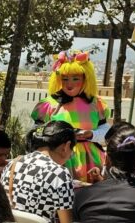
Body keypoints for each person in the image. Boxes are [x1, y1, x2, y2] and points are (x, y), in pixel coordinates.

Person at [31, 50, 110, 183]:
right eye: (65, 78)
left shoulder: (96, 104)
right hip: (59, 158)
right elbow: (35, 132)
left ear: (85, 78)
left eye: (75, 79)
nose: (69, 84)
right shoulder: (49, 104)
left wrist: (91, 134)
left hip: (91, 160)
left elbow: (107, 131)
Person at [2, 121, 76, 223]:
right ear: (66, 146)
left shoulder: (13, 163)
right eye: (72, 149)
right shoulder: (59, 173)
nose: (71, 155)